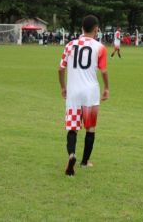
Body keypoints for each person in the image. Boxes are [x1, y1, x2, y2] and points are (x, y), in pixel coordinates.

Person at [58, 15, 109, 176]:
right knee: (90, 128)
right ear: (96, 29)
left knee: (72, 128)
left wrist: (63, 87)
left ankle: (71, 154)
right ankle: (85, 162)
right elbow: (104, 71)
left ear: (81, 28)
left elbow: (60, 69)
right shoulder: (100, 47)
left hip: (73, 92)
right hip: (90, 92)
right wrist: (106, 88)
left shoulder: (70, 45)